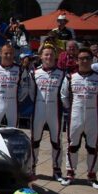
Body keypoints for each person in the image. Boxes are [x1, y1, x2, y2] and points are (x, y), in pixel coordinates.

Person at [60, 47, 98, 189]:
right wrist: (70, 109)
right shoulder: (70, 77)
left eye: (87, 58)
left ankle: (92, 175)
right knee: (72, 145)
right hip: (75, 115)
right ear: (77, 60)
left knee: (93, 147)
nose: (84, 61)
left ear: (92, 60)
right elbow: (64, 95)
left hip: (93, 115)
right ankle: (70, 173)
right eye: (81, 58)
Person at [30, 45, 67, 182]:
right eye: (46, 55)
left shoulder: (62, 73)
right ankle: (32, 168)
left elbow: (65, 93)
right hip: (38, 109)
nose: (49, 57)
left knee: (56, 141)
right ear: (41, 57)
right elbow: (31, 92)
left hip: (55, 110)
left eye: (51, 55)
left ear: (55, 56)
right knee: (34, 140)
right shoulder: (34, 72)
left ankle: (57, 170)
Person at [0, 44, 31, 126]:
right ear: (0, 53)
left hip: (13, 104)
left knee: (13, 130)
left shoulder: (21, 69)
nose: (8, 56)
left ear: (14, 54)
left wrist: (19, 100)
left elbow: (25, 88)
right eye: (6, 53)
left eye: (11, 53)